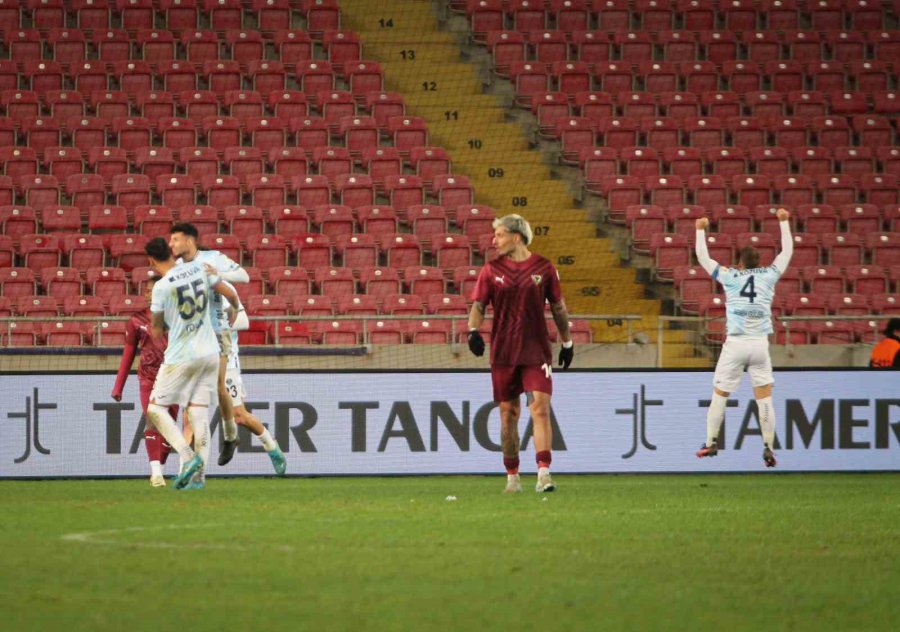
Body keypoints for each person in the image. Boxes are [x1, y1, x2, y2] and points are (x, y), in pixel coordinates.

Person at [466, 214, 574, 494]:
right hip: (503, 352)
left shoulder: (544, 268)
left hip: (536, 350)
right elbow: (478, 305)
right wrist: (473, 331)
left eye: (499, 234)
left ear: (516, 237)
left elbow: (559, 308)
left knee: (539, 408)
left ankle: (544, 474)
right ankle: (512, 477)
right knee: (508, 414)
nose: (494, 240)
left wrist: (567, 342)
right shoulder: (490, 270)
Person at [694, 208, 793, 468]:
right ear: (759, 263)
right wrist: (783, 222)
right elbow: (787, 253)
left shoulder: (730, 276)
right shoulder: (769, 275)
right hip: (760, 344)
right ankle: (769, 447)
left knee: (720, 394)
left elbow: (703, 257)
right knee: (764, 397)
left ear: (740, 263)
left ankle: (711, 441)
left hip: (735, 343)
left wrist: (700, 229)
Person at [143, 236, 243, 490]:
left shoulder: (161, 286)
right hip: (210, 351)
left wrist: (166, 325)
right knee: (198, 412)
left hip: (181, 355)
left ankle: (188, 459)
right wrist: (233, 310)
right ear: (171, 252)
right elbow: (230, 293)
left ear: (151, 261)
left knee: (155, 409)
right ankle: (199, 481)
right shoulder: (198, 267)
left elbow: (155, 329)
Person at [168, 224, 248, 463]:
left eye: (175, 239)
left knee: (217, 383)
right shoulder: (176, 268)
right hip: (192, 336)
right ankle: (190, 463)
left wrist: (218, 275)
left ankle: (230, 435)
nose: (171, 244)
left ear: (189, 241)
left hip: (217, 330)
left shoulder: (213, 258)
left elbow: (244, 276)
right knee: (190, 396)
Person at [110, 274, 176, 487]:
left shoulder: (177, 317)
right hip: (147, 378)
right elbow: (128, 352)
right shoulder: (136, 321)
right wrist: (118, 385)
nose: (149, 294)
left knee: (169, 427)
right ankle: (155, 471)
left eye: (153, 290)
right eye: (146, 290)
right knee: (152, 418)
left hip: (174, 378)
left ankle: (160, 470)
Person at [219, 322, 287, 474]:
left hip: (227, 364)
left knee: (239, 416)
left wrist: (223, 322)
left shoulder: (228, 299)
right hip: (202, 363)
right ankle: (190, 470)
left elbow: (243, 321)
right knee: (190, 414)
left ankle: (272, 449)